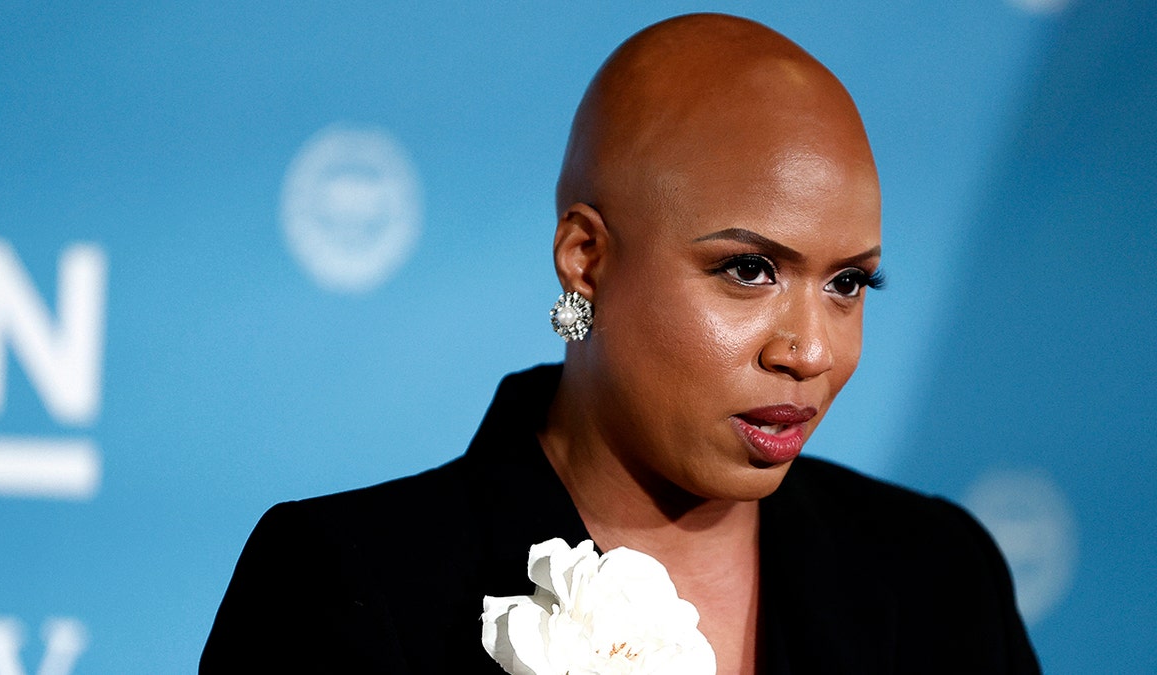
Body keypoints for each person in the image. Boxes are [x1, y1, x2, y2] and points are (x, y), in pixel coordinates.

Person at [201, 13, 1040, 674]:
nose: (810, 350)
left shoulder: (938, 576)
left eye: (848, 283)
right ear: (587, 260)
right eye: (749, 269)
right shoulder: (347, 583)